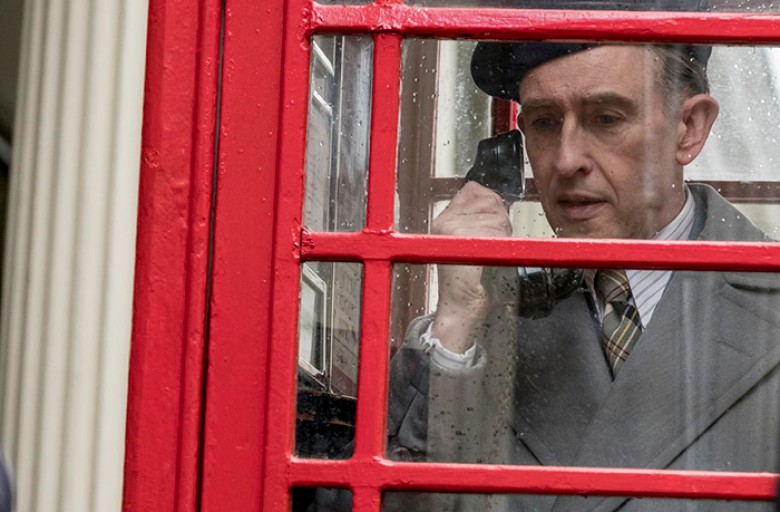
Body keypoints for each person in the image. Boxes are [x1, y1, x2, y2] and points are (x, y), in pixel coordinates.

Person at [382, 3, 780, 512]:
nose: (566, 160)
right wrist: (456, 319)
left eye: (606, 119)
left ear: (689, 128)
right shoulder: (473, 337)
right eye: (545, 123)